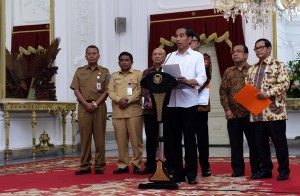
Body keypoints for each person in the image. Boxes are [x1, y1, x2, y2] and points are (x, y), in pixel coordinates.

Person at [164, 27, 207, 184]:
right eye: (176, 36)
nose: (178, 38)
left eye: (181, 35)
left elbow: (202, 77)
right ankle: (177, 172)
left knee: (189, 140)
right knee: (173, 141)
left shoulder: (197, 56)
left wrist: (187, 81)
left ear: (189, 39)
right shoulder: (169, 56)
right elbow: (164, 76)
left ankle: (191, 174)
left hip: (189, 103)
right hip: (172, 103)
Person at [246, 38, 290, 181]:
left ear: (269, 49)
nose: (258, 50)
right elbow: (247, 88)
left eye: (261, 47)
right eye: (256, 48)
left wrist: (268, 93)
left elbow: (285, 84)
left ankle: (284, 171)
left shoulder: (278, 65)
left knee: (279, 143)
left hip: (274, 112)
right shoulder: (252, 69)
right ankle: (266, 169)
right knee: (260, 144)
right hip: (256, 113)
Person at [219, 44, 260, 178]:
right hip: (233, 114)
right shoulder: (228, 71)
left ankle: (256, 170)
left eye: (239, 51)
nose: (235, 54)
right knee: (235, 144)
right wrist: (227, 109)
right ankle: (237, 170)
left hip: (250, 114)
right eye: (233, 52)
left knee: (253, 143)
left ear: (246, 55)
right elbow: (223, 92)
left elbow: (258, 90)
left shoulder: (254, 70)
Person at [70, 45, 110, 175]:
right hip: (83, 107)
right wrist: (85, 104)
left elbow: (107, 90)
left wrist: (96, 103)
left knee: (99, 138)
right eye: (89, 53)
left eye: (94, 53)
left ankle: (99, 165)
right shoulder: (79, 71)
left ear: (98, 56)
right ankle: (85, 165)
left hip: (99, 107)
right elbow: (76, 89)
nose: (91, 55)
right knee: (85, 138)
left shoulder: (105, 71)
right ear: (85, 56)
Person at [108, 51, 144, 175]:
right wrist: (119, 100)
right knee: (121, 141)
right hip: (118, 112)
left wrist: (128, 100)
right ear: (119, 62)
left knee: (136, 141)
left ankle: (137, 164)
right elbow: (110, 91)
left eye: (127, 60)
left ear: (131, 62)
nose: (124, 62)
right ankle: (123, 165)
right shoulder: (113, 76)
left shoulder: (138, 74)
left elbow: (140, 90)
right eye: (122, 60)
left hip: (134, 112)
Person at [141, 48, 166, 174]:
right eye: (154, 54)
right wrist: (150, 98)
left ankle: (166, 164)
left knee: (166, 138)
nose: (157, 56)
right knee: (151, 139)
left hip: (166, 111)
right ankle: (150, 165)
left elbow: (171, 87)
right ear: (151, 57)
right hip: (150, 110)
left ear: (165, 57)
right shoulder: (147, 72)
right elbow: (143, 88)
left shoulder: (168, 71)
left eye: (160, 54)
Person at [190, 34, 212, 177]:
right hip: (184, 104)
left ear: (198, 44)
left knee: (202, 137)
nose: (191, 43)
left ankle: (205, 166)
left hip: (200, 105)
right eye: (189, 41)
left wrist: (189, 87)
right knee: (188, 137)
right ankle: (189, 166)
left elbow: (206, 77)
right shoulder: (179, 57)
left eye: (193, 41)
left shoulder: (203, 57)